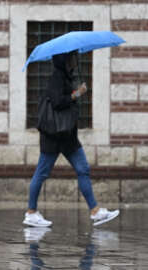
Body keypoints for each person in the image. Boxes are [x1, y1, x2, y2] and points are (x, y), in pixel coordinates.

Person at [23, 51, 119, 227]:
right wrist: (77, 93)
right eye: (72, 57)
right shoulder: (57, 77)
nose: (75, 60)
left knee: (83, 169)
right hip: (53, 136)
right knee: (42, 173)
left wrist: (76, 91)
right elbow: (58, 102)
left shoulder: (67, 76)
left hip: (67, 136)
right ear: (64, 60)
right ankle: (31, 212)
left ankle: (95, 211)